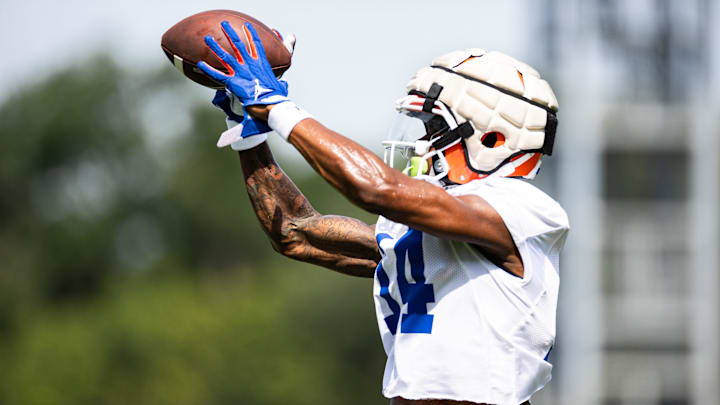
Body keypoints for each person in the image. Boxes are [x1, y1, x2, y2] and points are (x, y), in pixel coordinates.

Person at [198, 21, 569, 405]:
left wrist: (278, 109)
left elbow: (376, 189)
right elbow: (295, 232)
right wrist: (251, 138)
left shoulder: (521, 208)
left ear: (492, 140)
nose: (422, 142)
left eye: (433, 128)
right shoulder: (432, 228)